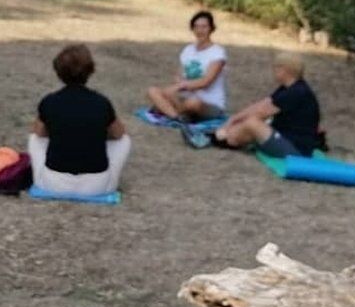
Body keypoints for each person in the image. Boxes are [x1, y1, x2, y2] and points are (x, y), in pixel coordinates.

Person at [29, 43, 131, 196]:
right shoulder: (101, 102)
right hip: (97, 186)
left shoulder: (49, 101)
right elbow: (118, 134)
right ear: (90, 71)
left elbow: (39, 132)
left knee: (34, 139)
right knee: (124, 140)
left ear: (58, 71)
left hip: (53, 183)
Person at [184, 51, 322, 156]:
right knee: (250, 120)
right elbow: (261, 104)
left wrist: (230, 125)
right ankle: (214, 137)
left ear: (284, 70)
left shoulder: (297, 92)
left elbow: (261, 113)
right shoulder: (289, 88)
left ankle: (213, 138)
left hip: (296, 148)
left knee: (252, 123)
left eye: (276, 68)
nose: (274, 72)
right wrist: (234, 118)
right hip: (285, 137)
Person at [146, 10, 228, 123]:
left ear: (211, 28)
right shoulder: (188, 49)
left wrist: (179, 86)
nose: (200, 31)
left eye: (204, 27)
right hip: (185, 97)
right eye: (196, 27)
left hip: (208, 103)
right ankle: (176, 116)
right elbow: (179, 74)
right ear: (192, 29)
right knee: (153, 91)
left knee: (193, 103)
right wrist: (177, 85)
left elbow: (205, 82)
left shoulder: (217, 53)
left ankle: (166, 110)